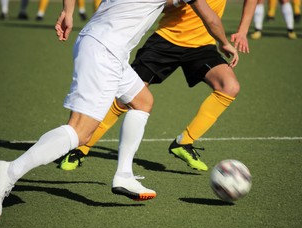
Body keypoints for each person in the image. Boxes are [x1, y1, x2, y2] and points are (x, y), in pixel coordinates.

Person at [0, 0, 240, 217]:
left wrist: (67, 10)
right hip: (104, 50)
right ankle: (11, 170)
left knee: (142, 101)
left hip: (105, 46)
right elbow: (207, 14)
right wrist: (224, 43)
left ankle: (124, 176)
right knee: (80, 131)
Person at [59, 0, 256, 172]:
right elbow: (160, 6)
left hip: (202, 45)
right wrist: (178, 1)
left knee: (229, 86)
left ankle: (184, 142)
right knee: (126, 98)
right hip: (166, 40)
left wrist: (243, 31)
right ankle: (81, 148)